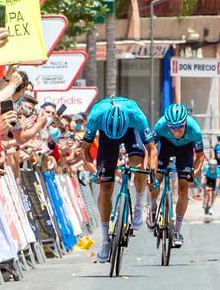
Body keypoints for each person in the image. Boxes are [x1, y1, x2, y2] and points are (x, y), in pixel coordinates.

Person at [77, 95, 152, 264]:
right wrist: (94, 171)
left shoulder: (136, 115)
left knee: (139, 164)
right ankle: (105, 240)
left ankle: (139, 204)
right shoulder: (96, 116)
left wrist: (149, 171)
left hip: (130, 131)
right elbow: (85, 152)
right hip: (107, 136)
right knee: (105, 187)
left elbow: (151, 150)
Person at [147, 103, 207, 248]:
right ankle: (152, 207)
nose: (176, 131)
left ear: (185, 122)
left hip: (185, 151)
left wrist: (194, 172)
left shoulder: (195, 130)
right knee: (155, 179)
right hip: (165, 148)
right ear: (167, 125)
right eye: (172, 128)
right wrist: (150, 170)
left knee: (183, 188)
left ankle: (177, 231)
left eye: (180, 127)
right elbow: (150, 150)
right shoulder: (160, 125)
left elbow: (200, 156)